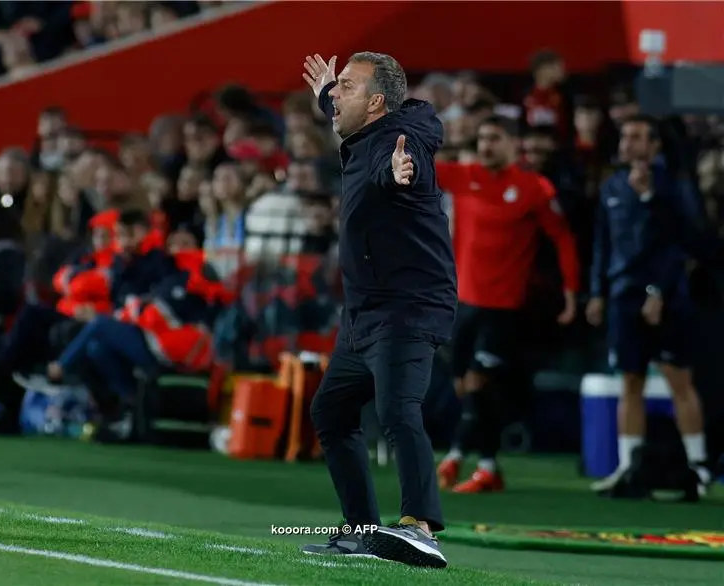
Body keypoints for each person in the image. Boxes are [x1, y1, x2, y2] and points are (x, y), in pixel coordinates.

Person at [298, 52, 456, 569]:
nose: (335, 93)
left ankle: (421, 528)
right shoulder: (369, 131)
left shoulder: (398, 144)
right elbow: (344, 114)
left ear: (377, 102)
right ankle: (362, 530)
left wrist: (398, 173)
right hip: (366, 313)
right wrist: (326, 93)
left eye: (346, 86)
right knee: (332, 411)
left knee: (396, 410)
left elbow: (396, 169)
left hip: (407, 308)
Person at [435, 115, 580, 493]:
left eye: (494, 138)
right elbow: (412, 168)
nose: (485, 145)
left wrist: (571, 291)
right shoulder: (463, 176)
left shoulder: (534, 188)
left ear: (513, 145)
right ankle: (488, 467)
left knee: (480, 381)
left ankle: (454, 457)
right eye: (481, 137)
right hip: (463, 303)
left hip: (504, 308)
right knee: (467, 387)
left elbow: (563, 240)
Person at [586, 114, 723, 496]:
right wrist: (596, 292)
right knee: (629, 380)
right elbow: (603, 244)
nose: (627, 143)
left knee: (680, 379)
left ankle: (699, 468)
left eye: (636, 137)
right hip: (622, 298)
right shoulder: (612, 185)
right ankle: (630, 467)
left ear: (654, 144)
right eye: (625, 136)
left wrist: (657, 291)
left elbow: (683, 245)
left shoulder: (673, 187)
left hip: (668, 299)